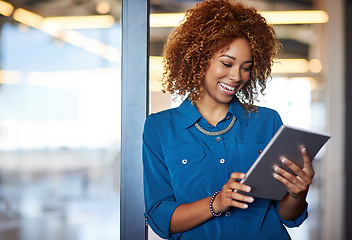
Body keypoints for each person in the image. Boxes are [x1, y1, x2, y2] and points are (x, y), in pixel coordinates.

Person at [142, 0, 314, 239]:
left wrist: (297, 195)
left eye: (246, 67)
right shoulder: (159, 128)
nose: (236, 77)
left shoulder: (268, 121)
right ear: (199, 60)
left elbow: (285, 215)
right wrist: (217, 202)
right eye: (227, 63)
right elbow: (161, 219)